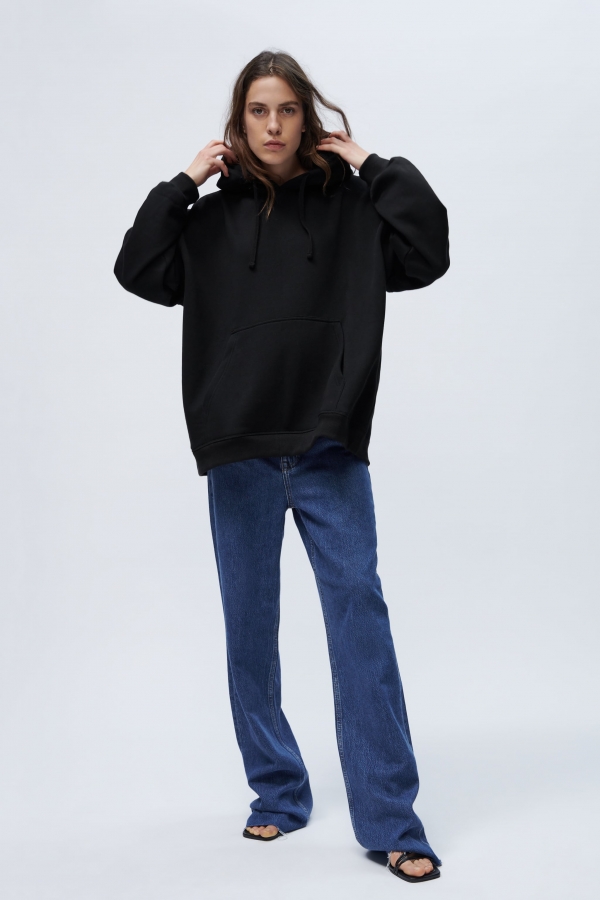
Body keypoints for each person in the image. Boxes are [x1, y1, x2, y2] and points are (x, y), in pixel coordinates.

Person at [114, 49, 450, 883]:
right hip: (240, 452)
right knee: (250, 632)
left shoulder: (354, 211)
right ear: (239, 122)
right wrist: (184, 182)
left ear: (308, 117)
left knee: (360, 622)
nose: (272, 126)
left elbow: (429, 247)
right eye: (258, 111)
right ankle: (277, 791)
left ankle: (391, 821)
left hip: (329, 445)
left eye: (287, 110)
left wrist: (372, 163)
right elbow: (136, 269)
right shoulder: (208, 224)